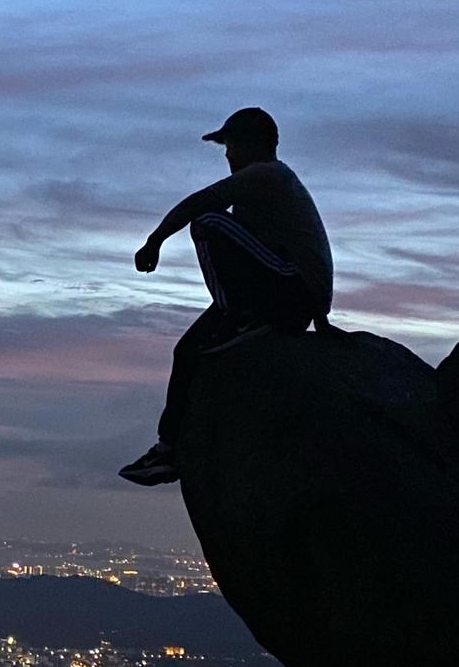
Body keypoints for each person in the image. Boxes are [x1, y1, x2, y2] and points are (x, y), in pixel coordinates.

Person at [119, 107, 333, 486]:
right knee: (188, 350)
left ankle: (238, 319)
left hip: (292, 290)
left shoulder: (267, 175)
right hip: (281, 291)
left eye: (230, 145)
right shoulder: (260, 189)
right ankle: (168, 449)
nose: (227, 156)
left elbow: (197, 204)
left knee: (210, 222)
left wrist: (154, 241)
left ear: (251, 145)